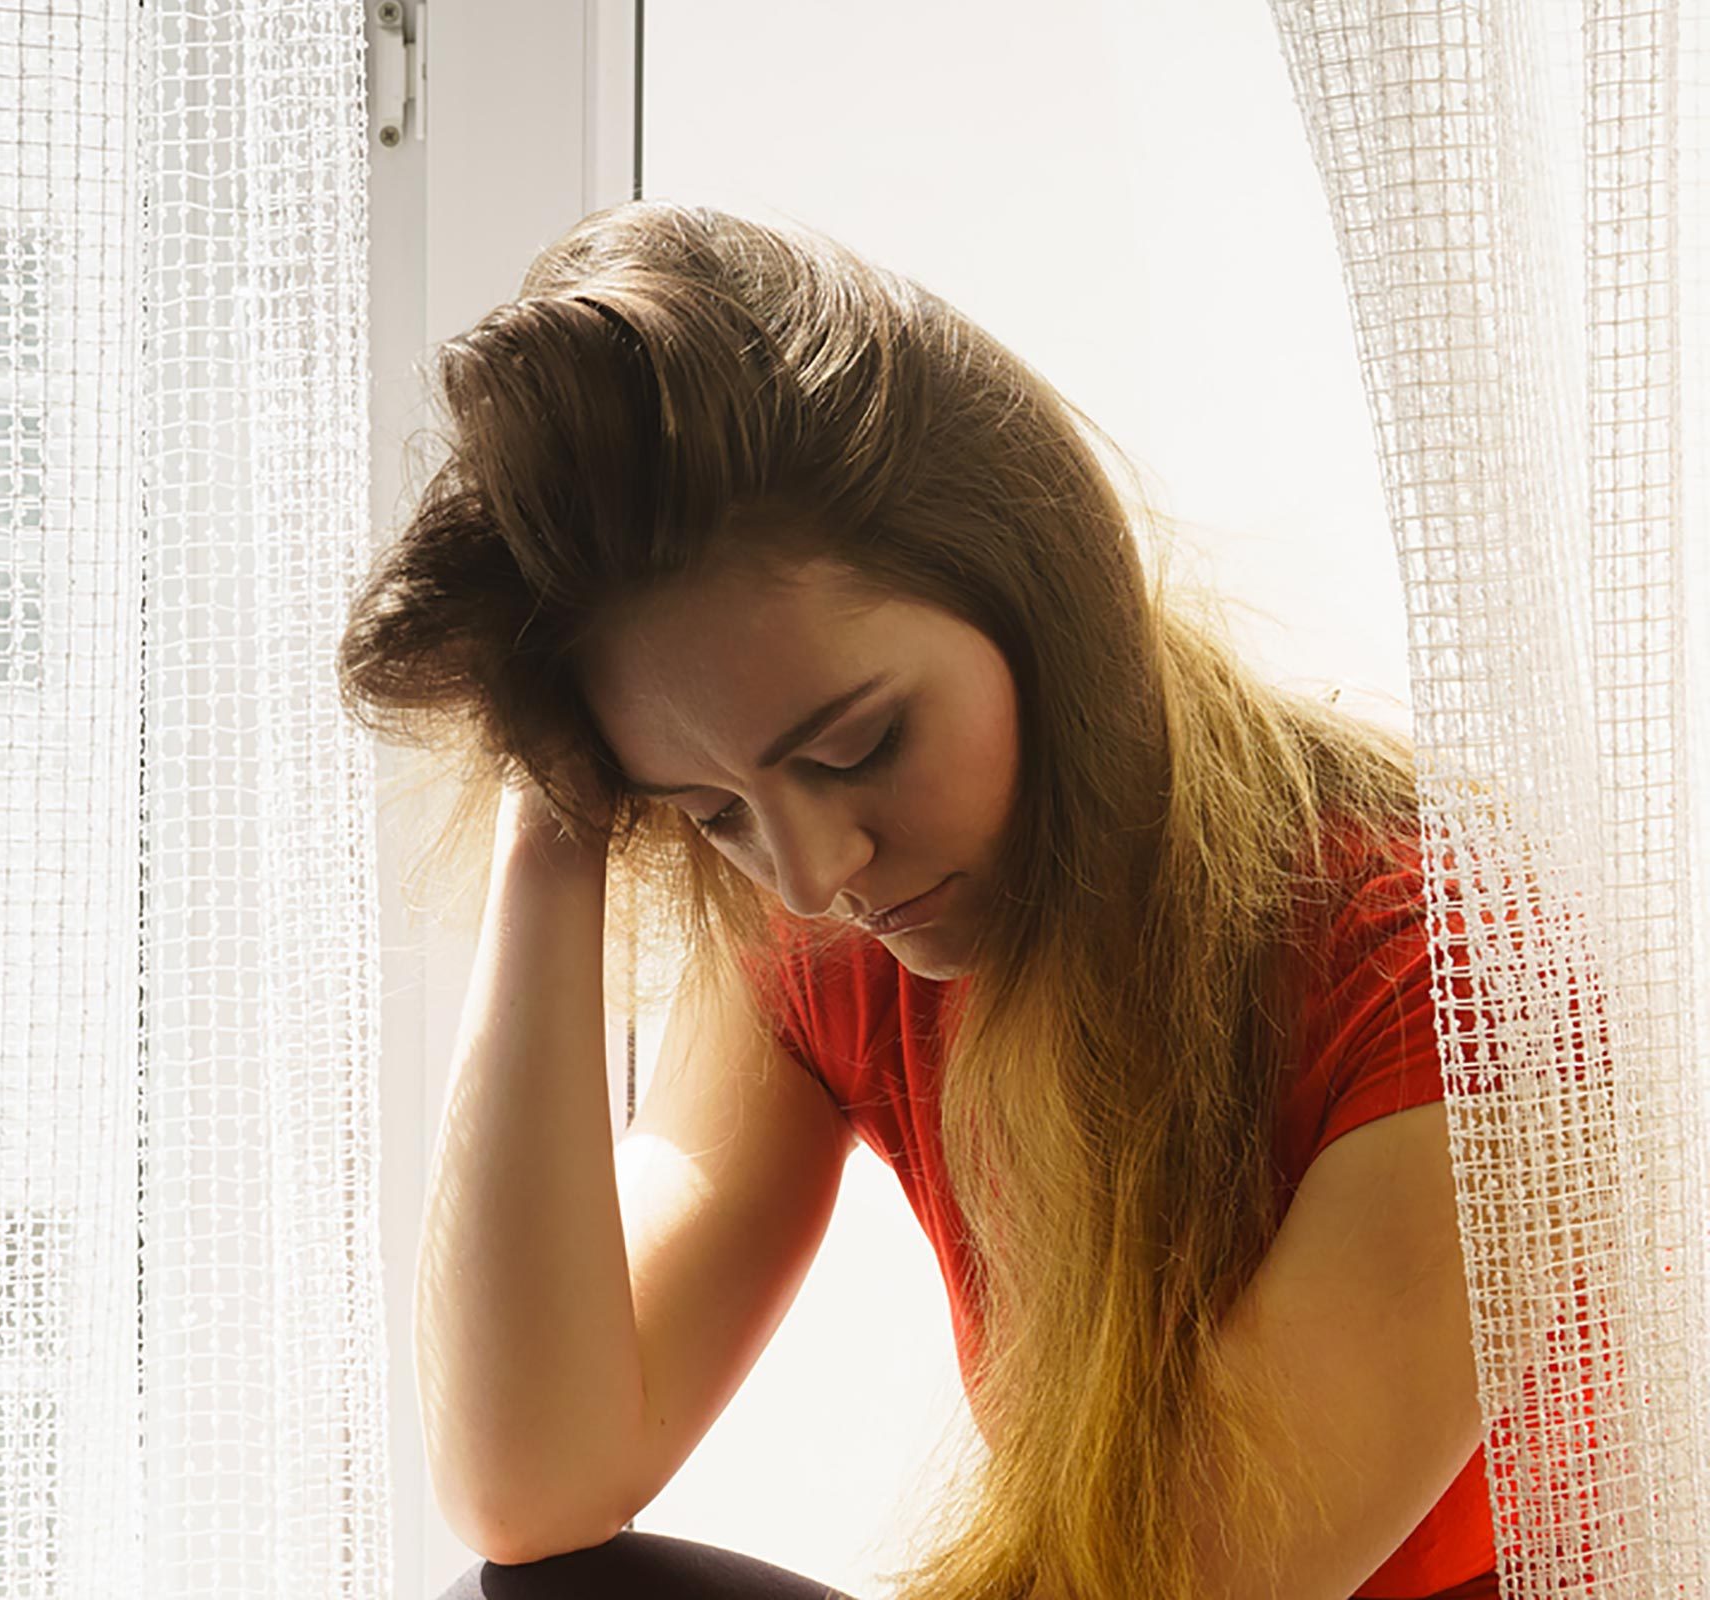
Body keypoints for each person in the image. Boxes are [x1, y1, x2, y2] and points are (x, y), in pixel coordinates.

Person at [334, 201, 1503, 1600]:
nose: (817, 870)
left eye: (859, 748)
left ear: (1033, 592)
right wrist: (553, 817)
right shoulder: (820, 921)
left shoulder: (1449, 984)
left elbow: (1155, 1584)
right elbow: (527, 1484)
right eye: (710, 810)